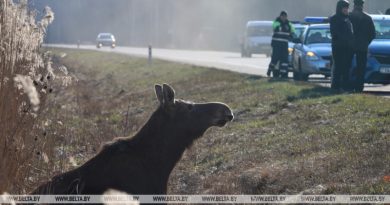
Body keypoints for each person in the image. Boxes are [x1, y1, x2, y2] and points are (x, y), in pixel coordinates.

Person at [350, 0, 376, 92]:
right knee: (361, 68)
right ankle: (359, 87)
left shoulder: (349, 16)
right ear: (362, 5)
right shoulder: (367, 18)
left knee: (348, 66)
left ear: (354, 5)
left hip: (350, 47)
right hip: (363, 47)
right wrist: (366, 42)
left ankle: (349, 86)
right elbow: (373, 34)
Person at [330, 0, 354, 91]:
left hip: (348, 48)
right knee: (338, 68)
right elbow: (335, 33)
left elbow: (350, 32)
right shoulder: (334, 18)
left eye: (347, 8)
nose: (346, 10)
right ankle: (335, 87)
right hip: (338, 47)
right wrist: (346, 38)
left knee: (346, 68)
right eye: (345, 8)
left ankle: (345, 87)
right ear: (340, 8)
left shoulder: (348, 19)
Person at [267, 11, 295, 78]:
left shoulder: (289, 24)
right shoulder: (276, 22)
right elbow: (275, 26)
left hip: (284, 44)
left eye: (285, 16)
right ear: (280, 16)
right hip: (276, 44)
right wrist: (282, 25)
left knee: (284, 60)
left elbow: (293, 31)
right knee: (275, 59)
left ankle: (283, 74)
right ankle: (270, 70)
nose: (284, 18)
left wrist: (292, 34)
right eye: (282, 16)